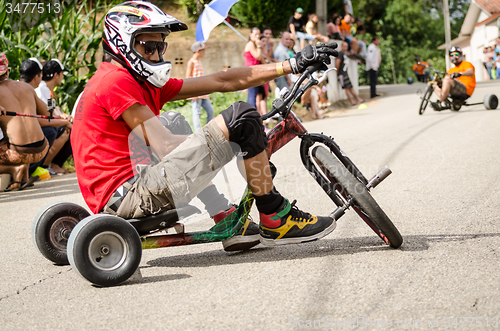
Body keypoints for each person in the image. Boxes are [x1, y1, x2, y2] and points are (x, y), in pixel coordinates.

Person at [71, 1, 338, 251]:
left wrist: (290, 64)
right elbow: (164, 146)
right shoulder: (116, 81)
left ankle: (223, 214)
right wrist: (232, 140)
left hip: (128, 190)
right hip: (131, 198)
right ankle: (275, 215)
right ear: (122, 43)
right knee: (243, 116)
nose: (155, 55)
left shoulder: (134, 80)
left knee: (175, 120)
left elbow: (223, 81)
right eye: (147, 47)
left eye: (160, 47)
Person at [0, 53, 50, 191]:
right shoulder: (26, 87)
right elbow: (46, 113)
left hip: (17, 154)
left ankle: (14, 169)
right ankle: (22, 178)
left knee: (13, 139)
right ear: (8, 71)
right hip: (42, 148)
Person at [35, 59, 73, 175]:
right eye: (62, 74)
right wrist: (65, 122)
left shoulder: (46, 89)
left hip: (44, 123)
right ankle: (46, 165)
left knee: (67, 126)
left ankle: (52, 165)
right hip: (42, 126)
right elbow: (46, 115)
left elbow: (51, 112)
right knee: (67, 130)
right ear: (56, 75)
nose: (62, 77)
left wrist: (63, 118)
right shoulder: (43, 89)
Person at [431, 46, 476, 111]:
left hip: (466, 90)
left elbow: (470, 72)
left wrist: (460, 74)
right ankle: (445, 101)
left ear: (460, 55)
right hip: (454, 91)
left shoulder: (466, 64)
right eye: (451, 55)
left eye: (456, 54)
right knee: (434, 84)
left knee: (447, 80)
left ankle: (440, 102)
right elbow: (446, 80)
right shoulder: (451, 70)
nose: (454, 56)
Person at [185, 41, 214, 132]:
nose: (204, 53)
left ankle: (208, 130)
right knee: (197, 112)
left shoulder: (199, 62)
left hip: (203, 92)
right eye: (203, 51)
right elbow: (187, 78)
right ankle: (198, 132)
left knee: (210, 111)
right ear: (198, 51)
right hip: (196, 92)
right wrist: (192, 93)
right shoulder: (191, 62)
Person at [244, 27, 266, 115]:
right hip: (250, 72)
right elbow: (258, 56)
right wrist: (259, 46)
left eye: (259, 34)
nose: (257, 36)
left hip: (256, 72)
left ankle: (253, 115)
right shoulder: (250, 44)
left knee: (256, 95)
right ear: (251, 35)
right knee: (252, 95)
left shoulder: (254, 44)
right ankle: (250, 115)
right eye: (255, 34)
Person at [336, 41, 364, 106]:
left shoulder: (344, 54)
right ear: (341, 47)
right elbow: (337, 63)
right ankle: (352, 101)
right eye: (344, 46)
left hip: (345, 73)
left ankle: (358, 99)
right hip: (342, 73)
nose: (346, 48)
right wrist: (338, 73)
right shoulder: (340, 54)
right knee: (347, 88)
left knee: (350, 87)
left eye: (346, 46)